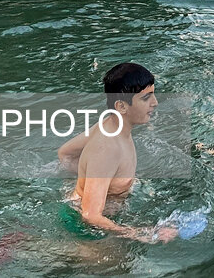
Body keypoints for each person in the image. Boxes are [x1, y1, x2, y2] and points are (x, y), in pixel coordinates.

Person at [57, 62, 178, 243]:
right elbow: (90, 215)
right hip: (83, 229)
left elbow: (64, 154)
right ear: (121, 106)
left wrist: (92, 179)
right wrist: (144, 234)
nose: (155, 103)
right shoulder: (107, 149)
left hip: (79, 214)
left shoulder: (108, 125)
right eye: (146, 98)